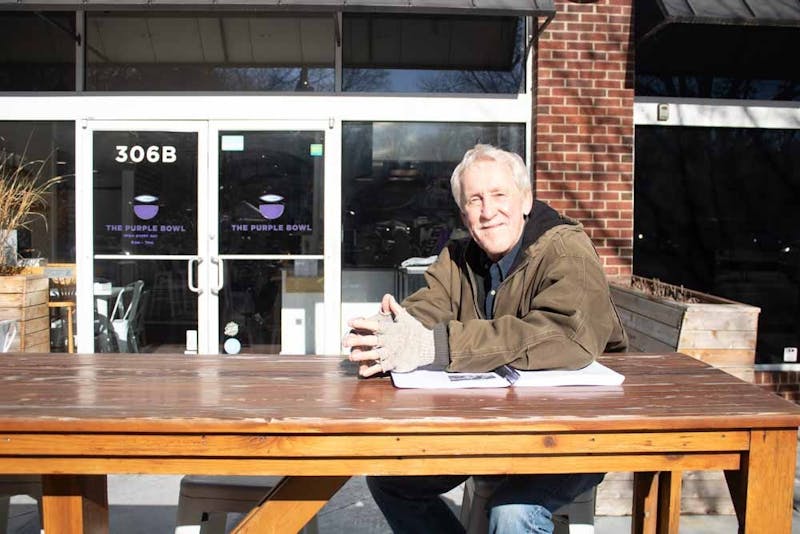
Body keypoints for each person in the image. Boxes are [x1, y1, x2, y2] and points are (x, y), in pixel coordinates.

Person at [343, 144, 627, 534]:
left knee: (511, 512)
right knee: (391, 481)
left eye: (499, 195)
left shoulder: (566, 249)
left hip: (570, 433)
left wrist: (436, 345)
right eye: (475, 200)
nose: (488, 211)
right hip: (493, 429)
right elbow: (426, 310)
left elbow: (567, 337)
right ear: (464, 214)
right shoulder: (460, 256)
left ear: (525, 200)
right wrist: (386, 330)